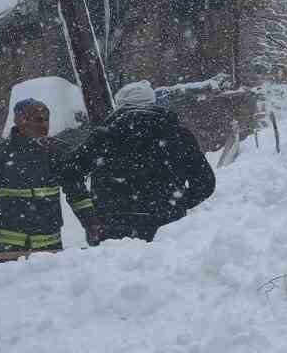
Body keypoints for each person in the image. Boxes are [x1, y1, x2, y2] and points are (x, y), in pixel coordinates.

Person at [55, 80, 216, 242]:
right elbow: (205, 182)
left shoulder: (104, 136)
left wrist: (89, 217)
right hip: (168, 231)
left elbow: (69, 173)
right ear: (153, 103)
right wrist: (176, 204)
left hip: (113, 229)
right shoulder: (179, 134)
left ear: (120, 106)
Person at [0, 97, 96, 259]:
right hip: (7, 248)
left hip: (50, 246)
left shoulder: (57, 151)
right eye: (38, 120)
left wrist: (90, 223)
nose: (44, 125)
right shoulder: (0, 155)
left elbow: (77, 191)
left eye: (47, 119)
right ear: (20, 121)